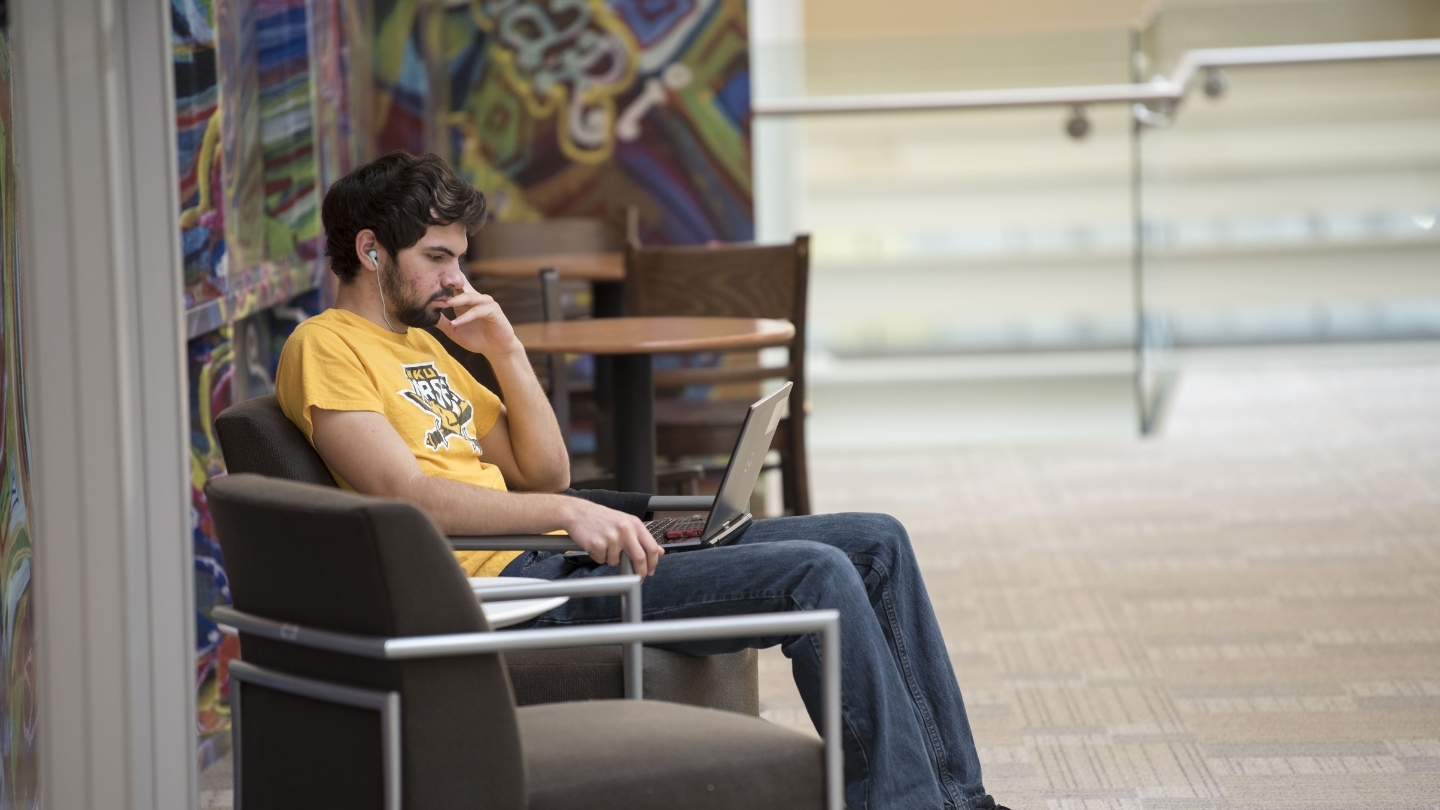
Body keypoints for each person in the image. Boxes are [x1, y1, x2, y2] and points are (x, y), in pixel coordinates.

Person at [275, 151, 1006, 810]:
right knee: (817, 571)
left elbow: (544, 469)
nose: (456, 278)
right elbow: (406, 496)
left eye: (460, 258)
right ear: (370, 250)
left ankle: (961, 801)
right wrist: (563, 513)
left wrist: (504, 347)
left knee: (878, 540)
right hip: (516, 591)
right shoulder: (326, 346)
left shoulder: (426, 348)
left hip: (557, 559)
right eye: (437, 257)